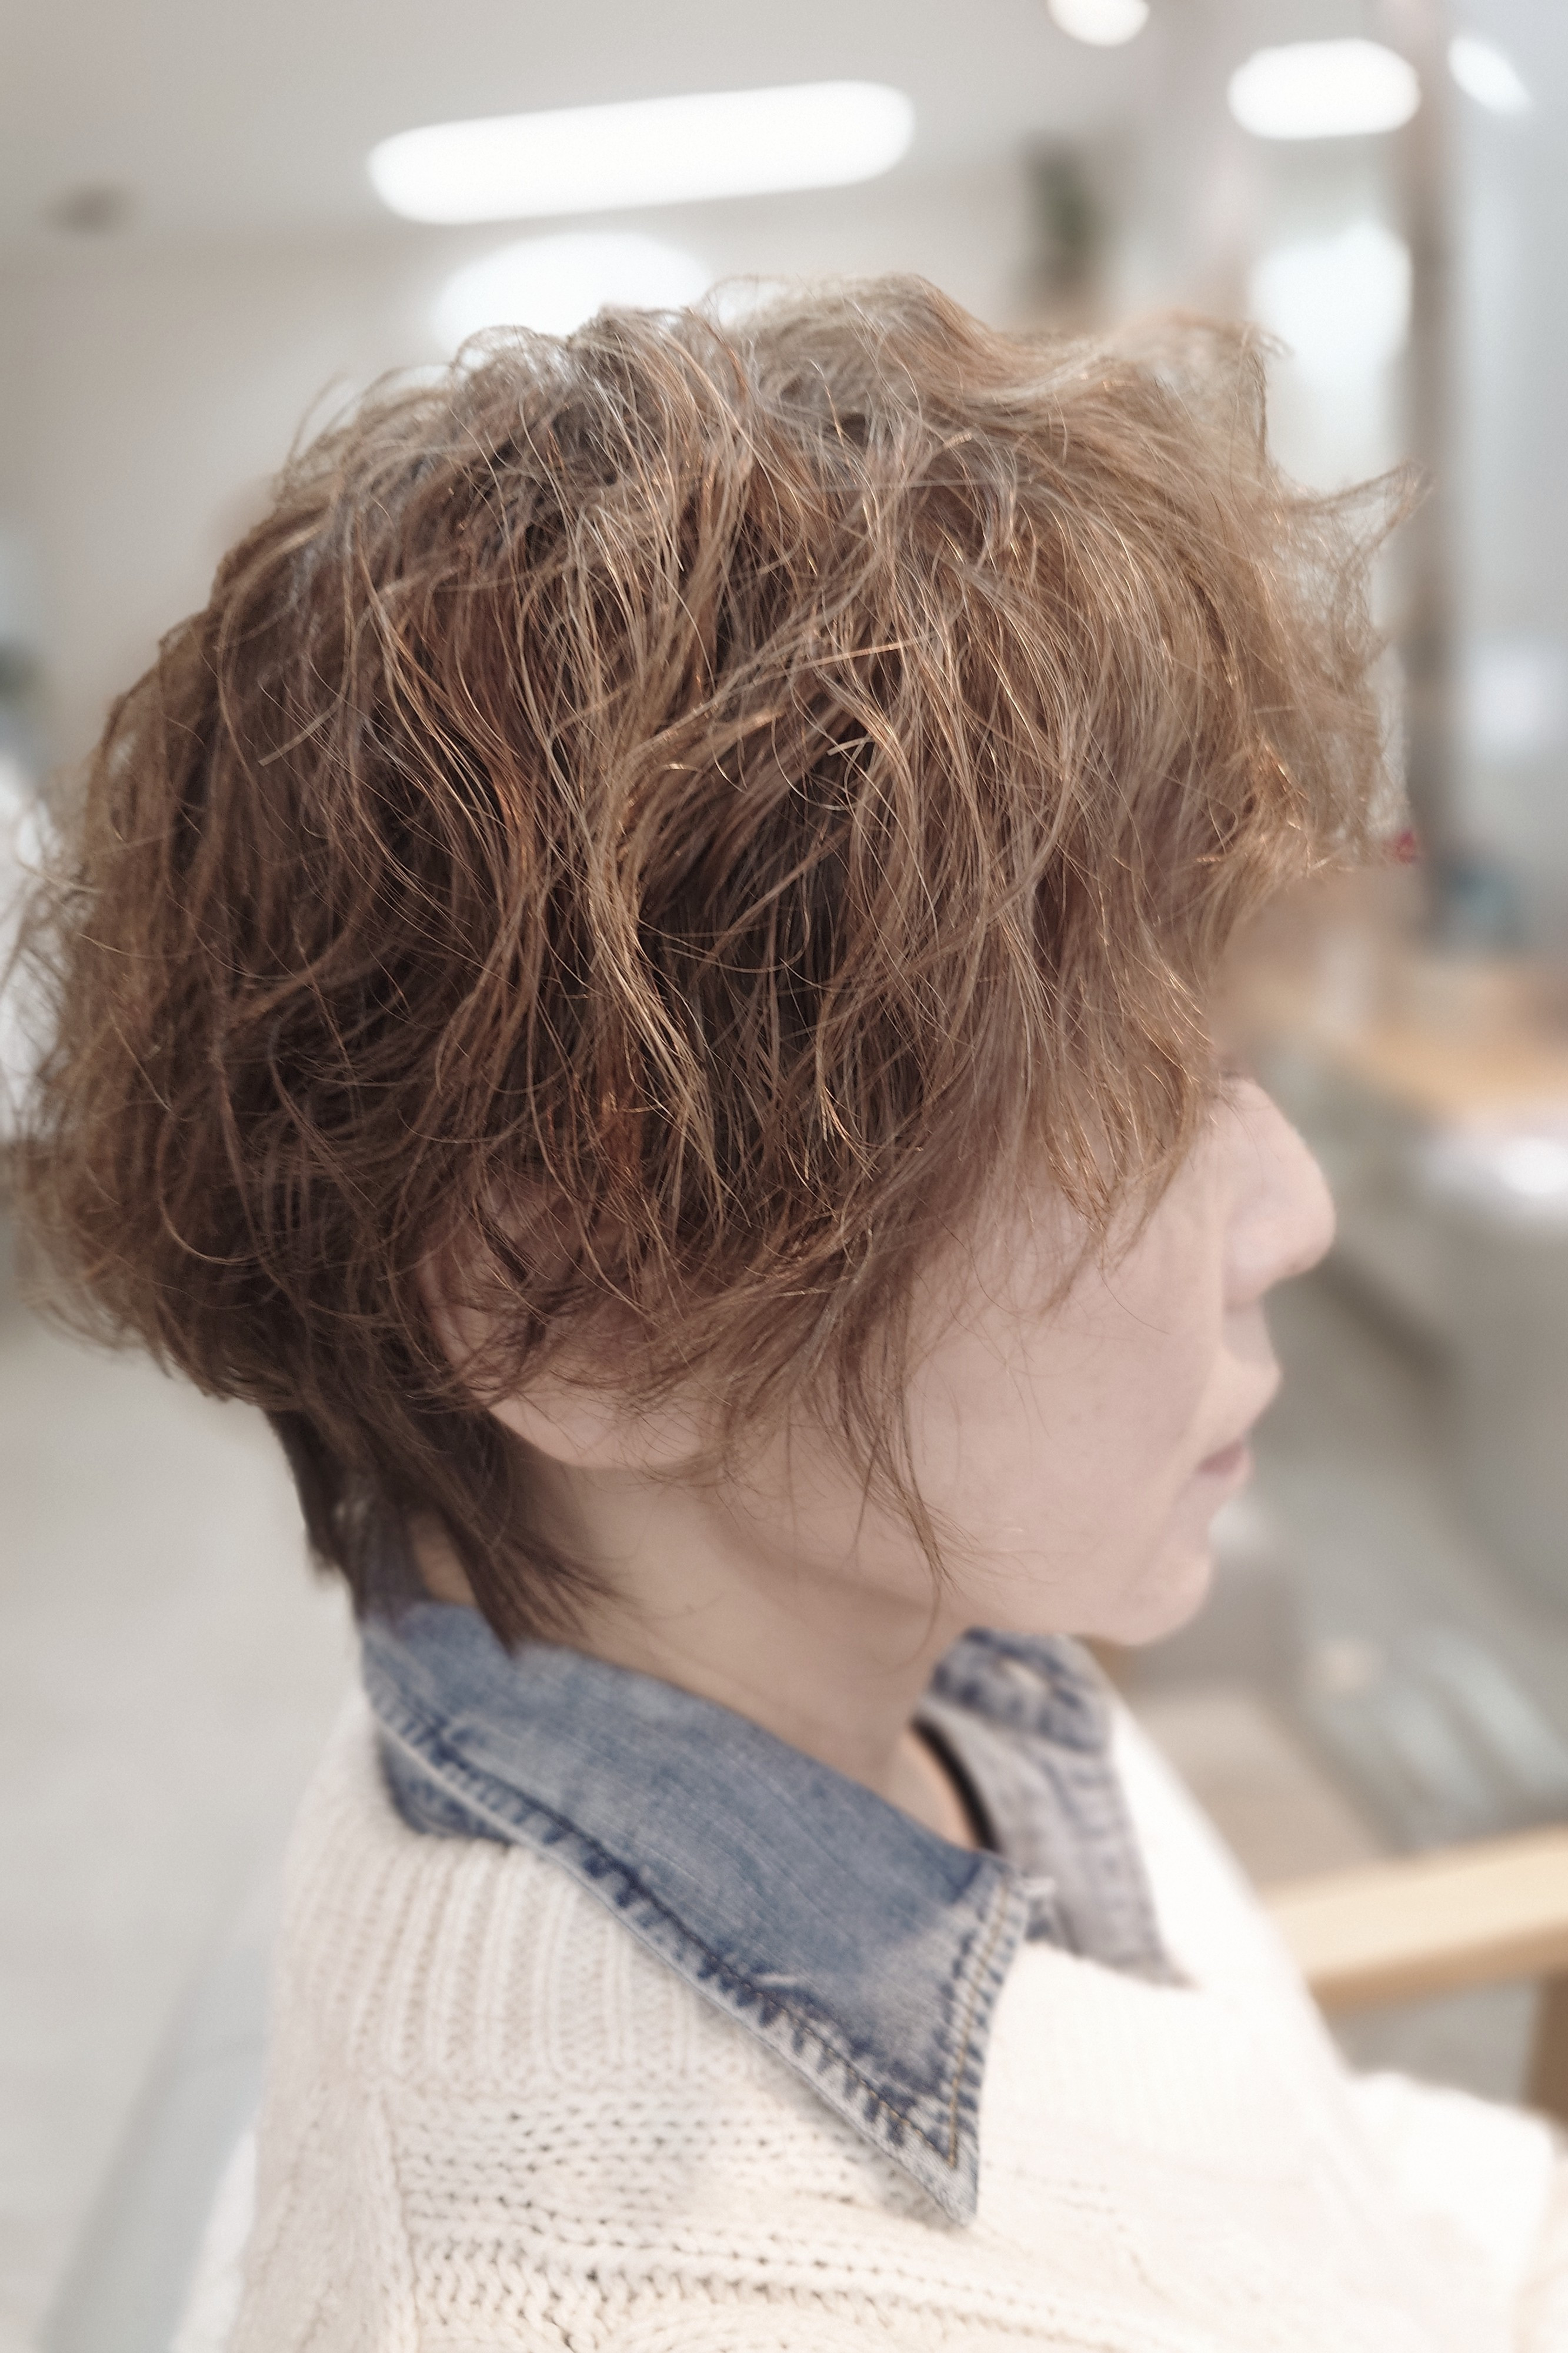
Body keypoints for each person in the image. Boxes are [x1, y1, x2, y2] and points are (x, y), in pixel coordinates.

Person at [12, 279, 1566, 2349]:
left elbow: (1313, 2206)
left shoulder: (895, 1632)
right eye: (1139, 1096)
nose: (1290, 1211)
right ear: (583, 1304)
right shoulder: (631, 2295)